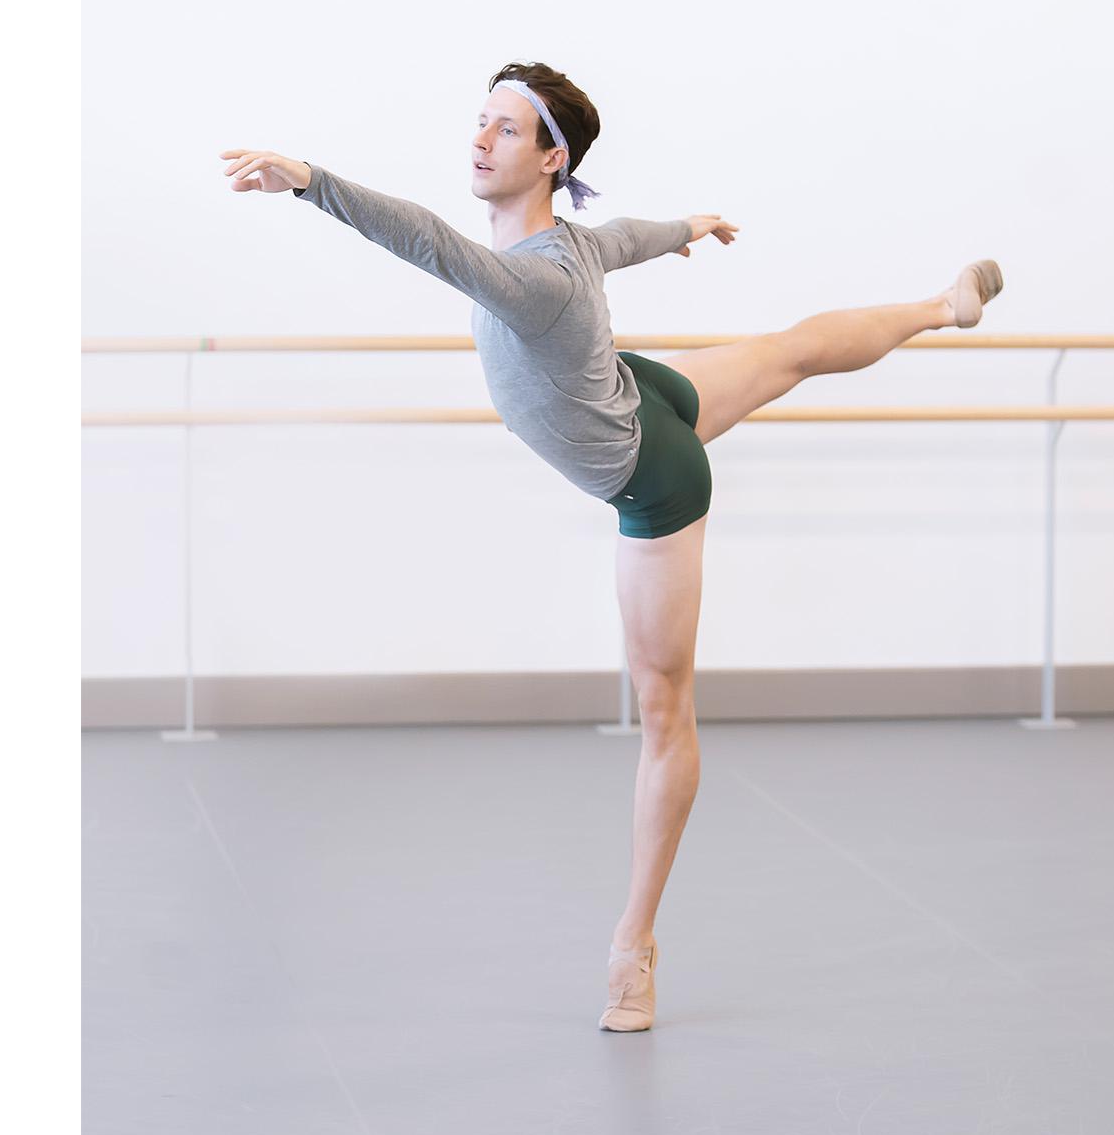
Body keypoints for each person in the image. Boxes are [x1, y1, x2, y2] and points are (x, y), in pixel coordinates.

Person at [218, 61, 1003, 1032]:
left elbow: (424, 239)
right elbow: (622, 237)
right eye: (480, 120)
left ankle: (634, 946)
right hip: (642, 392)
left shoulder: (535, 277)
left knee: (664, 709)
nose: (480, 139)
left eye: (506, 129)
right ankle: (940, 307)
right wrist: (687, 227)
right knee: (790, 350)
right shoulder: (567, 245)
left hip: (651, 471)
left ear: (552, 158)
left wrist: (310, 180)